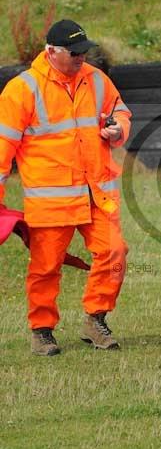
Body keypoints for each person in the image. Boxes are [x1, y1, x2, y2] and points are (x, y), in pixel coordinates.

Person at [0, 19, 131, 356]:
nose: (80, 58)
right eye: (74, 53)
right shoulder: (22, 89)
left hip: (95, 194)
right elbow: (2, 149)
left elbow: (119, 110)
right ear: (50, 52)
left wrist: (119, 129)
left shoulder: (96, 80)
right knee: (45, 269)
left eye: (84, 52)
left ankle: (95, 318)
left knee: (114, 252)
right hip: (51, 202)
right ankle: (42, 331)